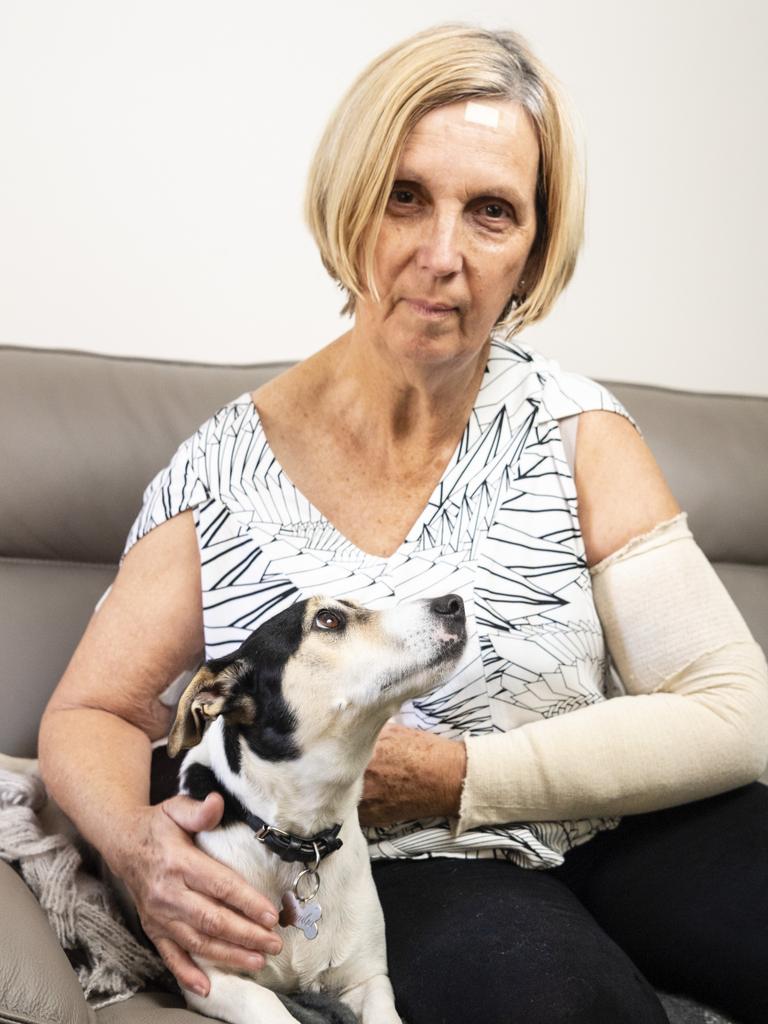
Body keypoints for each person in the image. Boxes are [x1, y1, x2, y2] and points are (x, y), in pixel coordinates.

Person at [38, 22, 768, 1024]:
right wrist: (137, 845)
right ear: (351, 204)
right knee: (553, 1002)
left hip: (623, 828)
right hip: (398, 870)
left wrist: (462, 773)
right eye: (405, 196)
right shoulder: (224, 475)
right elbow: (93, 711)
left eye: (493, 213)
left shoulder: (573, 429)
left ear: (535, 249)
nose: (443, 255)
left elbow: (738, 707)